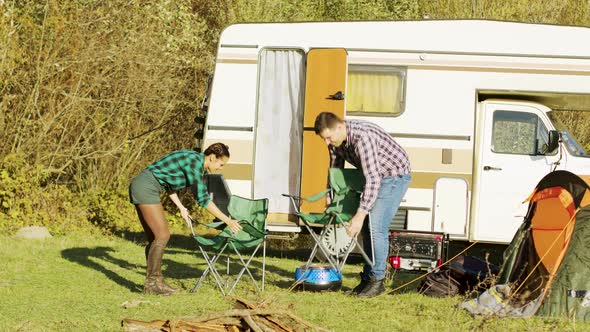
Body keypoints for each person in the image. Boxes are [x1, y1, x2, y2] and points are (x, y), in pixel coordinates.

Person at [314, 112, 411, 298]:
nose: (326, 142)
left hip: (394, 175)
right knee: (367, 229)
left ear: (340, 127)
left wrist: (359, 215)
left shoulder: (362, 138)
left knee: (375, 227)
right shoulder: (335, 141)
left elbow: (373, 179)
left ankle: (378, 281)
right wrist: (330, 197)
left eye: (328, 137)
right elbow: (335, 169)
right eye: (323, 138)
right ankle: (367, 280)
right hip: (377, 176)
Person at [129, 143, 242, 295]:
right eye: (221, 164)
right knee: (162, 235)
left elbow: (169, 184)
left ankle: (156, 282)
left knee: (155, 238)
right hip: (146, 187)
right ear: (212, 157)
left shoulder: (194, 160)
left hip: (146, 185)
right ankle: (152, 283)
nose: (221, 168)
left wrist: (181, 207)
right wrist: (227, 220)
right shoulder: (194, 164)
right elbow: (202, 199)